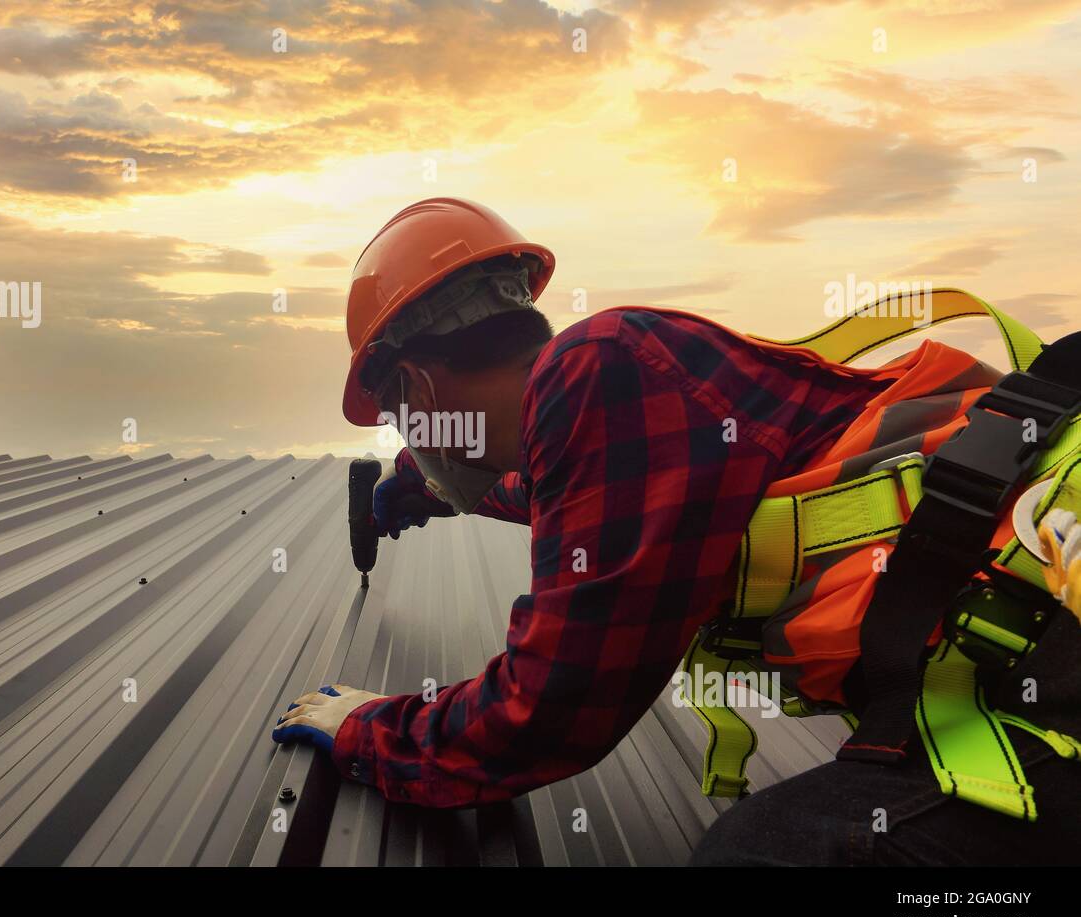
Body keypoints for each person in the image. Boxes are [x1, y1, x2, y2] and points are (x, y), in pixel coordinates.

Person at [272, 197, 1081, 864]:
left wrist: (365, 730)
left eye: (402, 422)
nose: (409, 440)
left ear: (415, 383)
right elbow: (558, 489)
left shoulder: (600, 371)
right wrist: (410, 492)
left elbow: (542, 717)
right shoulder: (616, 394)